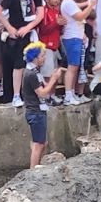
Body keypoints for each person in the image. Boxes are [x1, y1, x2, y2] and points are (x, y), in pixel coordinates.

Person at [20, 41, 64, 169]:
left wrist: (51, 78)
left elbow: (43, 86)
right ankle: (34, 170)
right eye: (42, 56)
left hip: (37, 111)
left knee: (40, 142)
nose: (44, 58)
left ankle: (37, 165)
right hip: (35, 112)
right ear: (35, 57)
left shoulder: (34, 71)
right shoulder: (31, 74)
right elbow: (43, 93)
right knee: (38, 144)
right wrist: (54, 79)